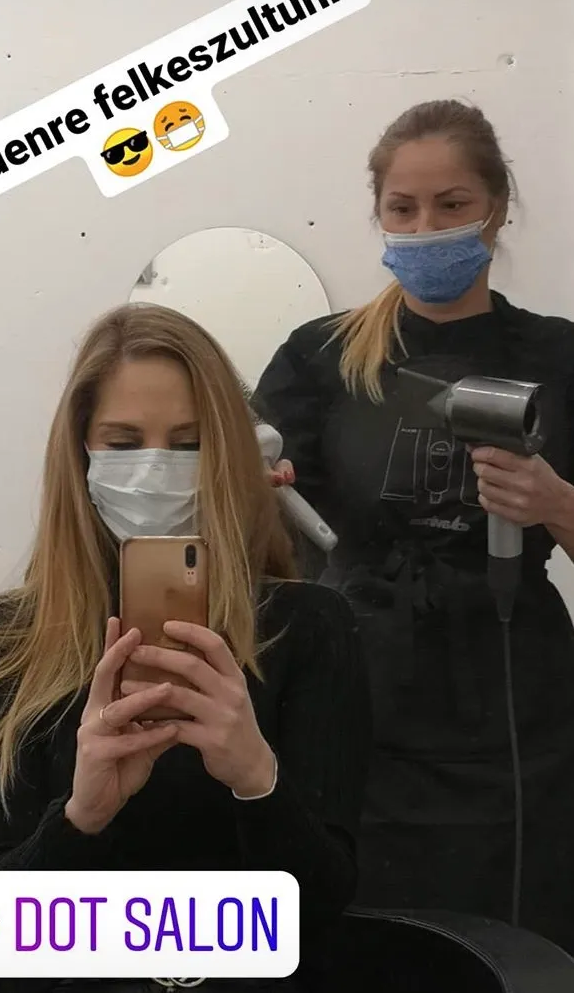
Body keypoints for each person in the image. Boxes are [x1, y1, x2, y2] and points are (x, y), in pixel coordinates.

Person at [0, 303, 372, 993]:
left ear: (228, 453)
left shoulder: (309, 626)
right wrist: (80, 818)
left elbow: (321, 913)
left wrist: (257, 780)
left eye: (187, 444)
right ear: (79, 454)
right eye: (122, 443)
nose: (154, 470)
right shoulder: (8, 642)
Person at [254, 99, 574, 953]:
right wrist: (254, 495)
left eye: (451, 205)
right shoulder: (319, 358)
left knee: (524, 943)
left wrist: (555, 504)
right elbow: (261, 546)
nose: (425, 228)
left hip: (518, 710)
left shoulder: (557, 356)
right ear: (380, 216)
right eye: (403, 208)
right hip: (359, 700)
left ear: (495, 208)